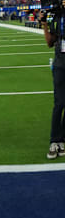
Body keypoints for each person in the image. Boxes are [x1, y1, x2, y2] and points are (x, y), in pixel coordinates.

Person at [40, 9, 65, 159]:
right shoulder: (59, 17)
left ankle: (62, 139)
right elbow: (50, 42)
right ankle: (54, 140)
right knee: (59, 103)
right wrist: (44, 25)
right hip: (60, 64)